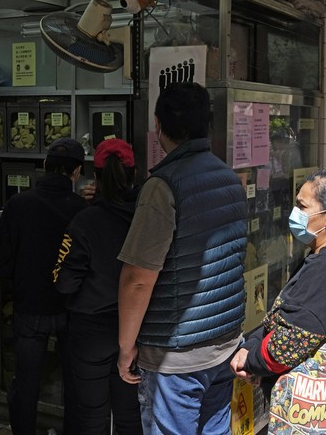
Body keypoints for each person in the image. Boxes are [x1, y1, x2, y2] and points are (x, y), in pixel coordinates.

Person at [116, 82, 247, 434]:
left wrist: (126, 347)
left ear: (158, 125)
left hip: (177, 357)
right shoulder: (229, 177)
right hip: (225, 344)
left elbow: (137, 279)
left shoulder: (162, 186)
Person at [230, 168, 326, 387]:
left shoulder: (325, 268)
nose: (295, 213)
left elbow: (286, 346)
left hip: (315, 413)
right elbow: (283, 319)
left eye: (302, 207)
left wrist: (251, 360)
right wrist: (253, 343)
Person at [0, 138, 88, 435]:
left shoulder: (19, 204)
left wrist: (22, 277)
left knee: (27, 382)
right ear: (77, 172)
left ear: (44, 166)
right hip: (70, 308)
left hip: (29, 307)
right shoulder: (82, 209)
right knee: (74, 382)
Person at [54, 138, 142, 434]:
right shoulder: (146, 219)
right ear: (133, 174)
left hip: (89, 332)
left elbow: (64, 282)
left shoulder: (85, 220)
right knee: (130, 415)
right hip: (136, 329)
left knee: (91, 416)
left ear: (96, 176)